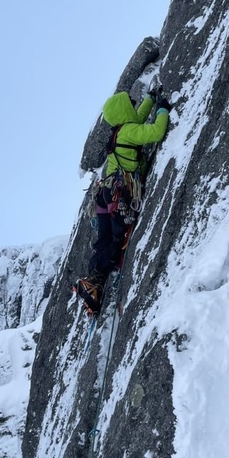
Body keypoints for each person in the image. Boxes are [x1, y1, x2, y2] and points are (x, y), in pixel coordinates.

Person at [74, 88, 171, 316]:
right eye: (131, 103)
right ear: (123, 110)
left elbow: (137, 117)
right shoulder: (129, 132)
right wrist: (163, 109)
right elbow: (156, 133)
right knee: (117, 241)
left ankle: (92, 281)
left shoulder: (119, 132)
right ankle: (94, 283)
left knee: (104, 239)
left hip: (104, 194)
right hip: (118, 194)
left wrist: (150, 100)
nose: (133, 104)